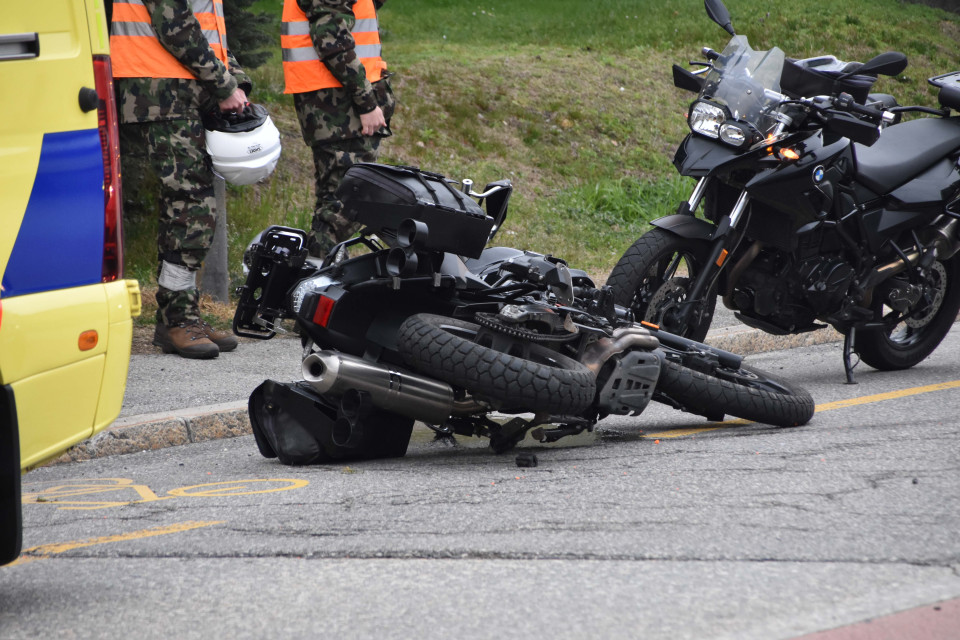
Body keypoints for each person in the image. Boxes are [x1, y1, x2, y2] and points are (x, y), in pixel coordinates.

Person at [110, 0, 247, 359]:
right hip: (163, 91)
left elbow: (206, 28)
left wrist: (234, 78)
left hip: (180, 89)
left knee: (183, 208)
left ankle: (180, 315)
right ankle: (178, 320)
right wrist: (225, 84)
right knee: (192, 209)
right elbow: (175, 25)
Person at [281, 0, 396, 258]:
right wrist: (366, 102)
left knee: (338, 202)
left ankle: (320, 268)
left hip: (335, 103)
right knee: (346, 205)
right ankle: (315, 271)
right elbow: (330, 35)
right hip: (339, 105)